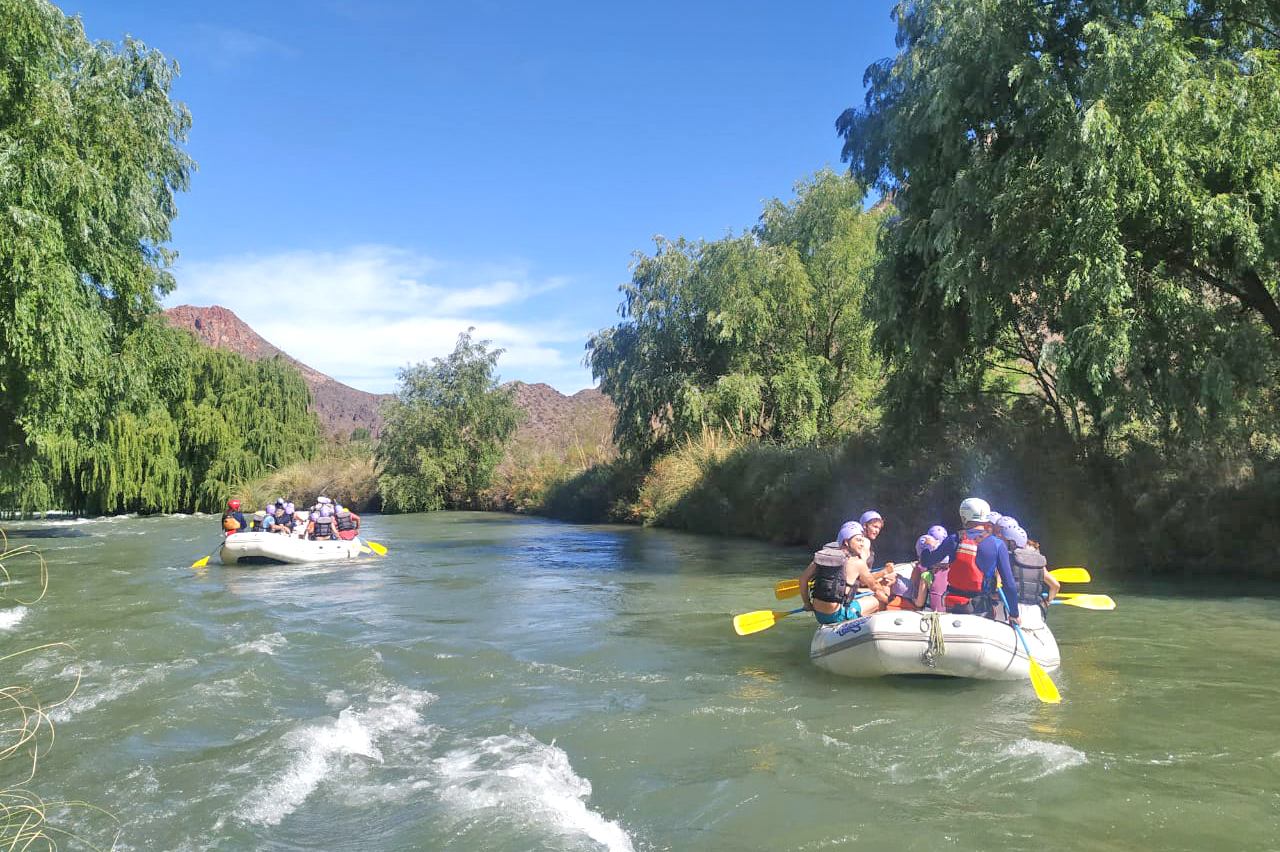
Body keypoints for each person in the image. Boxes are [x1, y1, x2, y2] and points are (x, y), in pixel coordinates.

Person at [919, 497, 1020, 623]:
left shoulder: (954, 539)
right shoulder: (998, 544)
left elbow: (926, 561)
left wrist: (928, 545)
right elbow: (1009, 583)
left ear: (964, 516)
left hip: (955, 607)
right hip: (981, 607)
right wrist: (1014, 614)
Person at [798, 521, 889, 625]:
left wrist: (807, 603)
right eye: (858, 540)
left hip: (819, 614)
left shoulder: (822, 557)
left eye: (862, 541)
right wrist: (889, 598)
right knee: (879, 601)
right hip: (838, 615)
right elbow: (876, 587)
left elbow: (803, 580)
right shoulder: (857, 562)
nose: (862, 544)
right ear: (846, 542)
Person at [999, 524, 1060, 616]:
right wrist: (1046, 602)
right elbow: (1056, 586)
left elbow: (998, 585)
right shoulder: (1038, 561)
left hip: (1012, 609)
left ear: (1012, 542)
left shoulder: (1008, 559)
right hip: (1034, 612)